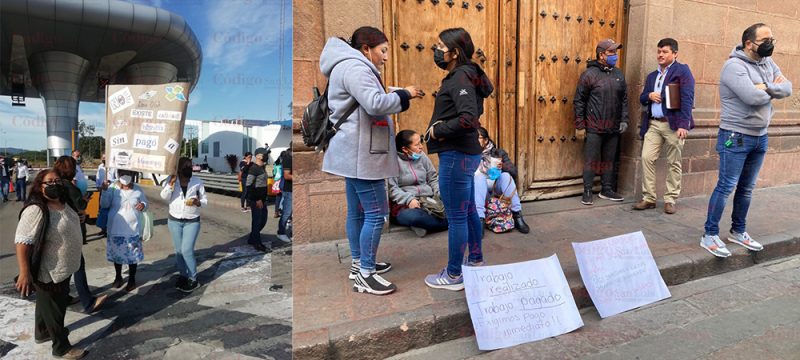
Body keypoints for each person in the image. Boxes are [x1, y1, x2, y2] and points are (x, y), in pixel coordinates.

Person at [320, 26, 423, 295]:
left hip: (354, 154)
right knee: (377, 214)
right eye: (383, 50)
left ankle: (359, 263)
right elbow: (374, 103)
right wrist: (405, 94)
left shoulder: (344, 66)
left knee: (357, 212)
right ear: (366, 48)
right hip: (363, 157)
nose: (386, 56)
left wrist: (394, 93)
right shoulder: (356, 67)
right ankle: (365, 273)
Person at [700, 23, 792, 258]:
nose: (770, 44)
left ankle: (738, 231)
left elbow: (788, 88)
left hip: (760, 136)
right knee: (726, 186)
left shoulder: (768, 63)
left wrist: (766, 86)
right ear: (749, 44)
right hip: (736, 136)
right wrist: (772, 89)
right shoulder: (733, 66)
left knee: (747, 188)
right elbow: (752, 97)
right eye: (765, 40)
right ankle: (709, 234)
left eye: (773, 38)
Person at [423, 28, 493, 291]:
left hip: (455, 155)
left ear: (454, 52)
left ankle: (453, 275)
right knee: (467, 211)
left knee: (456, 217)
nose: (436, 49)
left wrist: (438, 130)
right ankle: (475, 261)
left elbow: (468, 118)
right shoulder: (469, 75)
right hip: (467, 153)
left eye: (440, 45)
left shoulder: (460, 77)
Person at [14, 169, 88, 359]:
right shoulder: (36, 209)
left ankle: (42, 332)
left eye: (57, 181)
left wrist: (79, 219)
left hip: (65, 267)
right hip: (49, 270)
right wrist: (24, 272)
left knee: (45, 304)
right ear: (40, 186)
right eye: (49, 182)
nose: (54, 185)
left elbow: (68, 219)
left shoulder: (62, 202)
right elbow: (22, 241)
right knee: (56, 308)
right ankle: (61, 347)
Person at [634, 38, 696, 214]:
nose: (660, 55)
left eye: (665, 52)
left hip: (673, 125)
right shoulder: (652, 76)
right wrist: (649, 96)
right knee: (647, 158)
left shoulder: (682, 71)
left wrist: (683, 125)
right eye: (659, 51)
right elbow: (642, 97)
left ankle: (670, 199)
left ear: (675, 54)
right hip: (653, 124)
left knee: (673, 162)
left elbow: (687, 98)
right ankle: (649, 198)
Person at [574, 38, 629, 206]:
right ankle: (588, 190)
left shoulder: (619, 74)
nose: (614, 55)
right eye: (611, 52)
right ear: (601, 55)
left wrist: (624, 120)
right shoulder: (589, 74)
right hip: (594, 126)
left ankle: (607, 189)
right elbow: (579, 101)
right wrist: (580, 125)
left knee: (609, 160)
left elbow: (624, 100)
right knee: (591, 160)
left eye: (615, 52)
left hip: (613, 127)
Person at [54, 156, 108, 313]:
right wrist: (84, 197)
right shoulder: (69, 186)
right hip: (69, 230)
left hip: (58, 230)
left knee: (65, 265)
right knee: (78, 265)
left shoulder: (56, 184)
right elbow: (80, 204)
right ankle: (88, 301)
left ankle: (64, 296)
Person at [388, 130, 448, 238]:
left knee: (452, 204)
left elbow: (433, 178)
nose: (421, 147)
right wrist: (409, 199)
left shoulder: (422, 156)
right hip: (407, 204)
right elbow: (393, 189)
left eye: (421, 143)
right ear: (405, 149)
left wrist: (439, 193)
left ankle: (426, 225)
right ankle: (449, 223)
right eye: (417, 145)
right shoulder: (393, 162)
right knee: (415, 217)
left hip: (429, 199)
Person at [161, 157, 208, 292]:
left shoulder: (197, 181)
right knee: (179, 251)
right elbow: (164, 197)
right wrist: (170, 184)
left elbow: (204, 200)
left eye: (190, 165)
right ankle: (183, 275)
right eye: (186, 166)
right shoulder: (171, 180)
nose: (189, 168)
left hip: (192, 220)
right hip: (174, 220)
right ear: (179, 168)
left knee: (187, 250)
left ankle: (193, 278)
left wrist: (198, 202)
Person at [100, 170, 148, 291]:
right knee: (117, 255)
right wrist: (104, 191)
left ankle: (131, 279)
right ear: (118, 174)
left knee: (132, 255)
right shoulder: (112, 188)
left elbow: (145, 203)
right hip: (115, 228)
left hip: (132, 229)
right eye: (122, 173)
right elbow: (104, 205)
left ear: (132, 175)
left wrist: (143, 205)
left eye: (128, 173)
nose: (125, 175)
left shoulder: (138, 189)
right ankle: (118, 277)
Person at [475, 127, 530, 234]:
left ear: (486, 140)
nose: (475, 140)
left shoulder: (498, 153)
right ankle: (479, 220)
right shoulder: (469, 154)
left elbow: (514, 172)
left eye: (478, 138)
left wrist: (502, 166)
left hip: (496, 190)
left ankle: (517, 214)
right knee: (479, 177)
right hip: (479, 192)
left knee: (505, 176)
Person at [245, 148, 270, 252]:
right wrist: (257, 199)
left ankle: (252, 238)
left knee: (263, 220)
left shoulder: (262, 167)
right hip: (256, 200)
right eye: (264, 154)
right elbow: (248, 185)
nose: (266, 156)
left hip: (263, 199)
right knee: (257, 221)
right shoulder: (254, 169)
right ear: (258, 156)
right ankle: (257, 243)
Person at [276, 144, 293, 243]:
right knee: (287, 213)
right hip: (289, 190)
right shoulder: (288, 158)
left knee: (292, 214)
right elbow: (287, 176)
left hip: (294, 189)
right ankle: (281, 232)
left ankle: (291, 232)